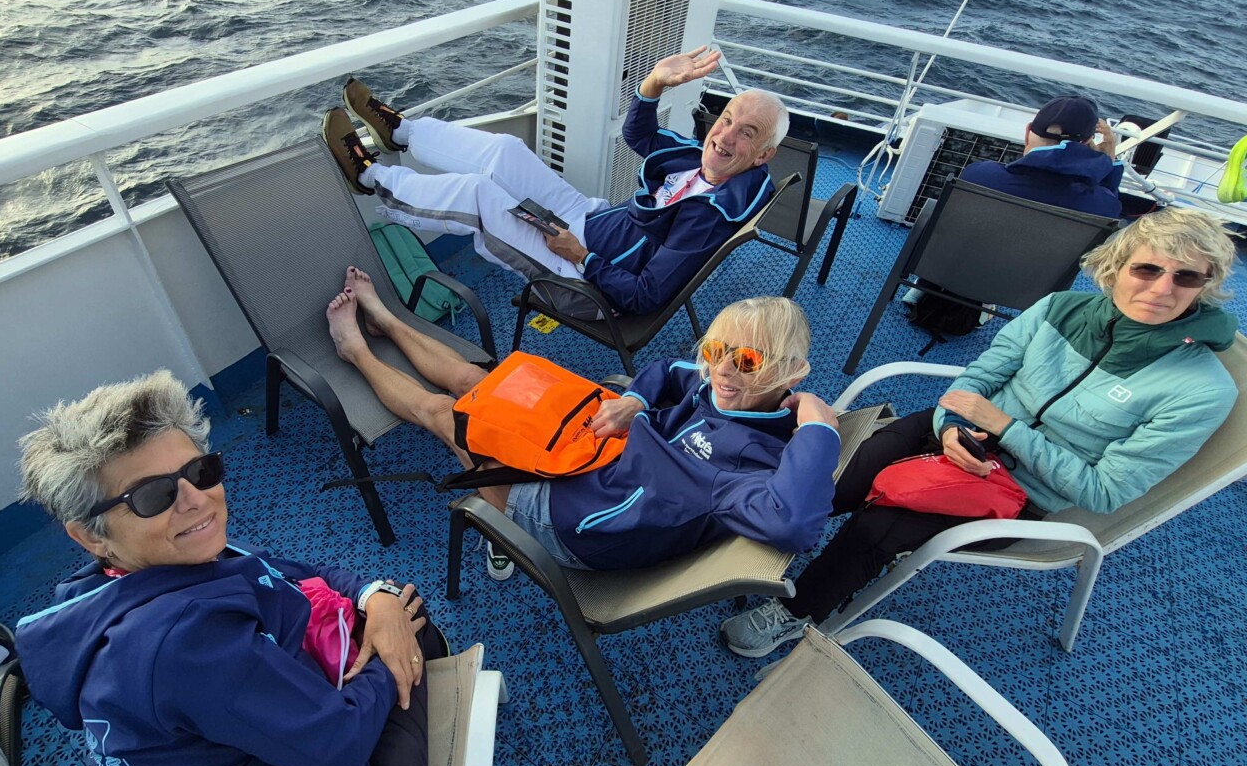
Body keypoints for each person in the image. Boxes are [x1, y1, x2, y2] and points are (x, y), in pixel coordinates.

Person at [722, 207, 1240, 657]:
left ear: (1206, 285)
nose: (1162, 289)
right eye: (1147, 268)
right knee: (839, 481)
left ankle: (797, 611)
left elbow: (1105, 492)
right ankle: (743, 544)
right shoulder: (1059, 310)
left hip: (1018, 493)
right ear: (1116, 266)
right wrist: (953, 427)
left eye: (1186, 277)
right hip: (958, 432)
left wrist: (1005, 428)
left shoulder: (1200, 389)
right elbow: (979, 377)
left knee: (876, 527)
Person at [14, 371, 442, 766]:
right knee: (416, 624)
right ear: (91, 536)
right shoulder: (186, 642)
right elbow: (339, 748)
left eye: (200, 471)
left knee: (391, 606)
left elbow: (286, 570)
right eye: (151, 495)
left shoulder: (129, 572)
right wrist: (391, 650)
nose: (195, 499)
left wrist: (373, 596)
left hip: (252, 738)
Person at [326, 266, 841, 572]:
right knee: (476, 379)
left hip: (572, 519)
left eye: (747, 360)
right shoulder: (720, 385)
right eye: (715, 349)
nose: (723, 370)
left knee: (446, 413)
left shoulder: (751, 461)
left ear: (793, 373)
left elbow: (793, 524)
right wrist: (636, 401)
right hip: (592, 448)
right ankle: (387, 319)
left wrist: (820, 427)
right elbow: (668, 370)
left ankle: (356, 351)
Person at [321, 47, 787, 319]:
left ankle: (369, 176)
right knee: (506, 152)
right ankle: (402, 133)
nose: (725, 136)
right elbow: (640, 136)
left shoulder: (709, 213)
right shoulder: (704, 161)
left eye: (746, 134)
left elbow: (646, 295)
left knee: (478, 196)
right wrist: (654, 83)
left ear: (764, 154)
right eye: (727, 119)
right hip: (591, 219)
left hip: (582, 279)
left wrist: (580, 255)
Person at [962, 94, 1123, 218]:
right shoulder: (1102, 206)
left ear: (1027, 133)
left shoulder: (978, 175)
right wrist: (1108, 164)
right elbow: (1108, 211)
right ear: (1086, 143)